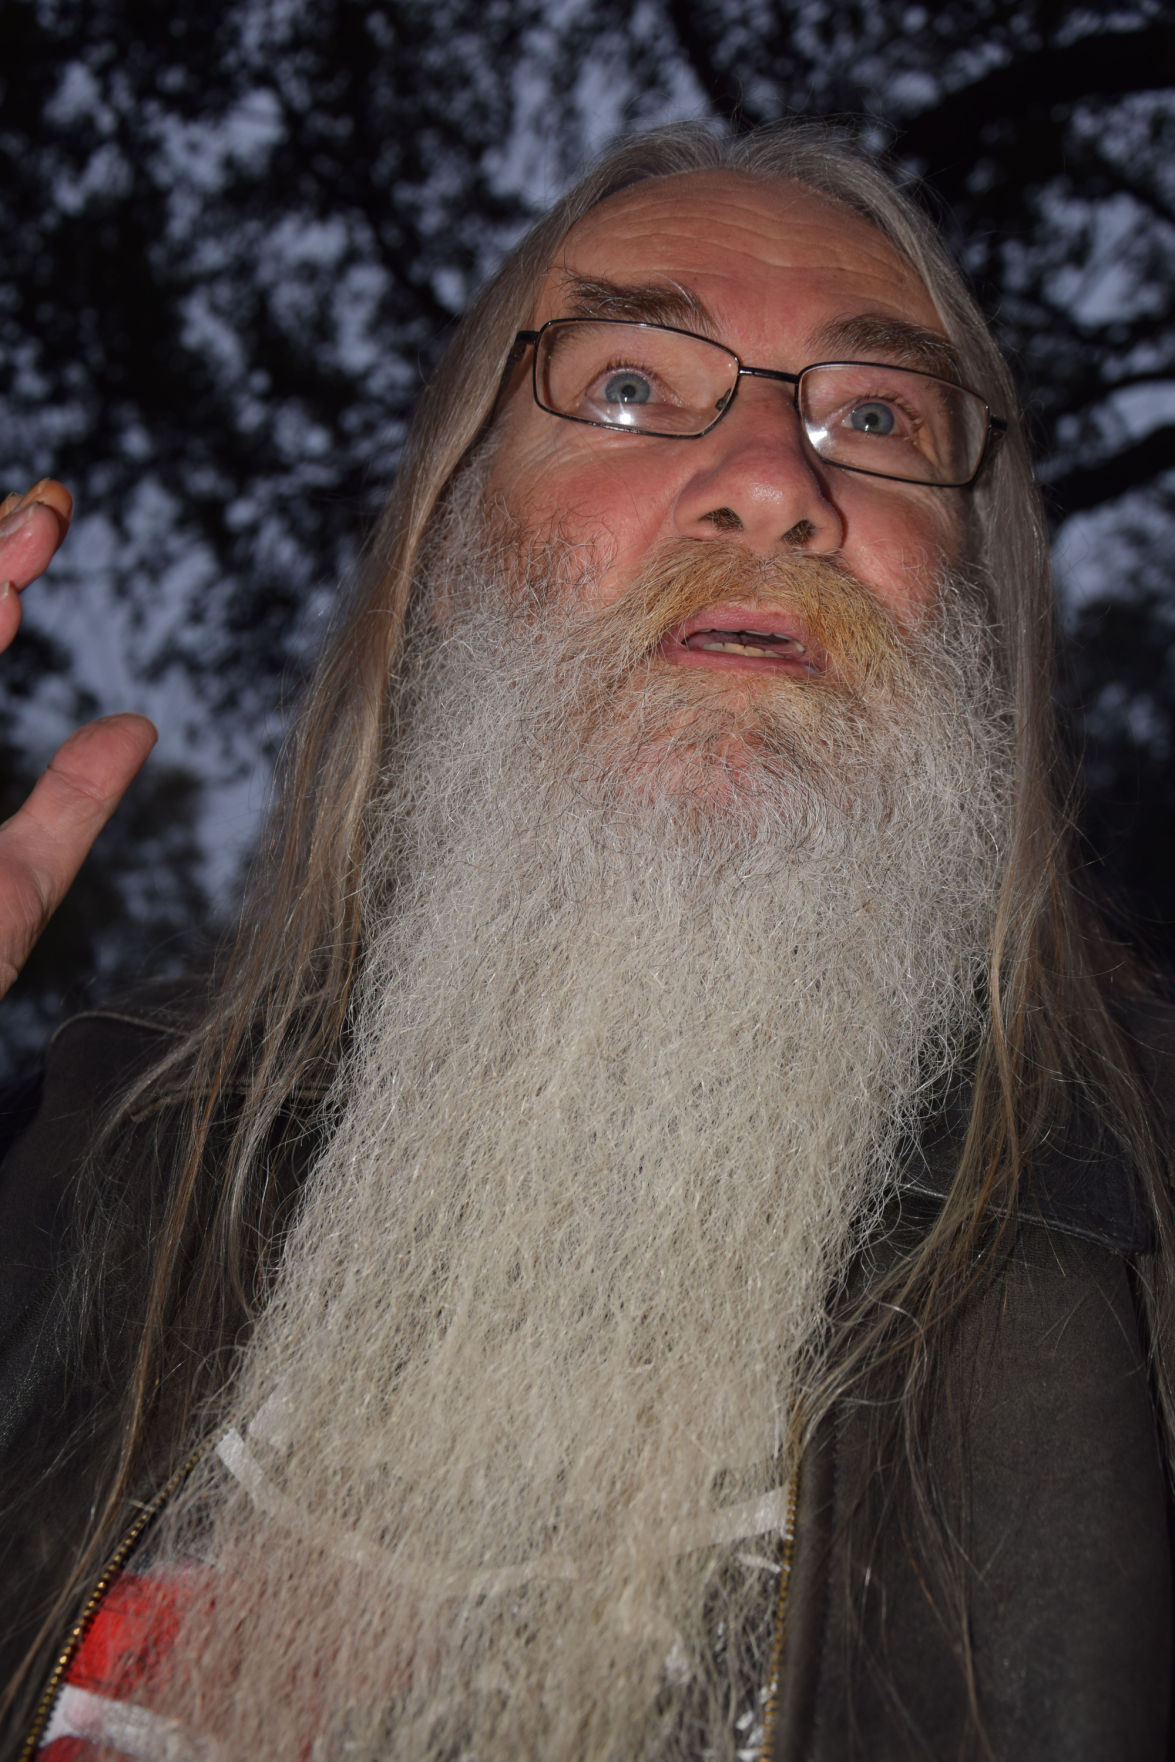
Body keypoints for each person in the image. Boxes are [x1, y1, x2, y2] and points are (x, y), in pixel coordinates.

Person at [1, 120, 1172, 1762]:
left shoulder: (1146, 1229)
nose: (776, 480)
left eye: (877, 416)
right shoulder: (93, 1155)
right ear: (443, 554)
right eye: (628, 385)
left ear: (974, 599)